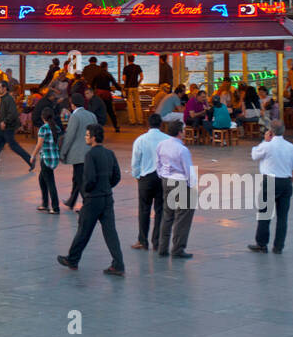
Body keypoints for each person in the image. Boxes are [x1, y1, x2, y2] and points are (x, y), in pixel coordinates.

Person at [58, 124, 125, 275]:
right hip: (107, 197)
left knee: (83, 230)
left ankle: (73, 259)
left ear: (93, 138)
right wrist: (107, 186)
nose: (85, 137)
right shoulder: (110, 153)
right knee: (110, 232)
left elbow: (89, 179)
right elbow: (117, 176)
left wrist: (88, 191)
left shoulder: (90, 155)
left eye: (87, 135)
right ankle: (118, 264)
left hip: (93, 199)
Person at [248, 119, 293, 254]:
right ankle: (278, 246)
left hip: (270, 180)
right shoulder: (291, 147)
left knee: (265, 214)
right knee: (282, 216)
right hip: (286, 181)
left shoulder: (267, 146)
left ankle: (262, 244)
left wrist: (265, 141)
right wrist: (290, 181)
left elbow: (254, 155)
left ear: (270, 131)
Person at [156, 121, 195, 258]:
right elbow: (188, 169)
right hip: (180, 181)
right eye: (183, 130)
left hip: (166, 180)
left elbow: (158, 163)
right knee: (183, 216)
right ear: (180, 132)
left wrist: (162, 175)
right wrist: (191, 185)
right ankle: (178, 248)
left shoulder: (162, 145)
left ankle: (162, 246)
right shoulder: (182, 149)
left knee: (168, 215)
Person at [130, 114, 166, 250]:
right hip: (162, 178)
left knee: (144, 209)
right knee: (160, 210)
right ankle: (157, 241)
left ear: (148, 124)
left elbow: (135, 162)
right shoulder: (167, 139)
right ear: (161, 124)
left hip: (146, 178)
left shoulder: (140, 140)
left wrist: (137, 175)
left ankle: (142, 240)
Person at [0, 79, 33, 172]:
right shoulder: (2, 98)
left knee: (14, 147)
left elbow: (13, 113)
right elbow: (3, 112)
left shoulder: (8, 99)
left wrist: (5, 122)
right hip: (1, 128)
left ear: (4, 88)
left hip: (8, 128)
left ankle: (30, 160)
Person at [60, 92, 96, 210]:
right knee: (77, 178)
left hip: (78, 153)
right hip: (89, 151)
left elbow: (69, 136)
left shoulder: (74, 116)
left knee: (80, 179)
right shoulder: (91, 115)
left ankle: (87, 204)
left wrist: (63, 152)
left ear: (72, 104)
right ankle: (71, 200)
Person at [35, 106, 62, 213]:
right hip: (54, 158)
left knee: (50, 182)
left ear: (43, 117)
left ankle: (55, 207)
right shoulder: (57, 128)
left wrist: (32, 156)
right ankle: (45, 203)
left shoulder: (43, 128)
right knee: (42, 179)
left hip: (46, 159)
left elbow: (39, 145)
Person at [122, 54, 143, 124]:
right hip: (135, 87)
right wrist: (138, 83)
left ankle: (132, 121)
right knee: (137, 103)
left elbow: (123, 78)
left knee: (130, 104)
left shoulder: (126, 68)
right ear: (133, 59)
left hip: (128, 88)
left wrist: (125, 83)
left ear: (128, 60)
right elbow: (142, 77)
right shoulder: (137, 67)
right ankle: (140, 120)